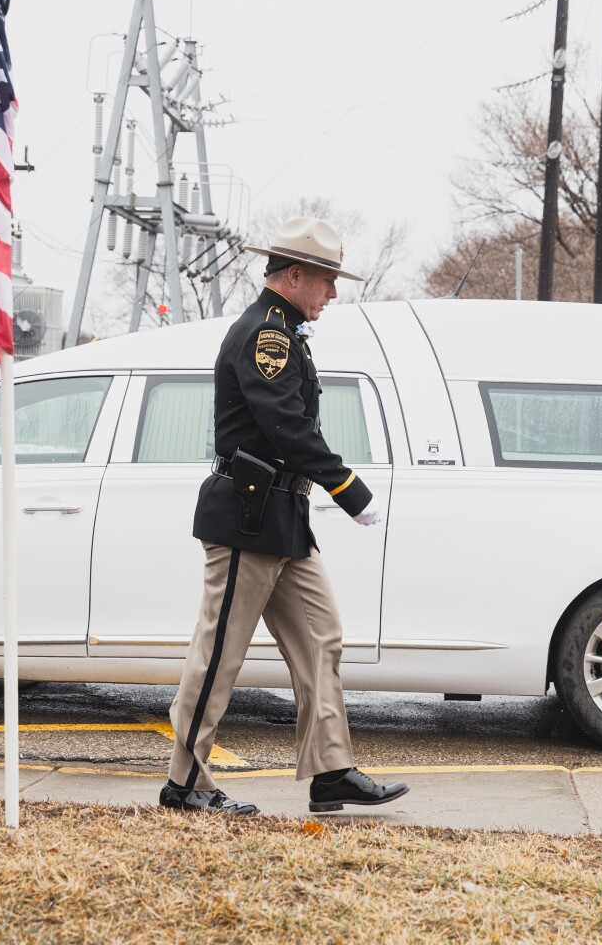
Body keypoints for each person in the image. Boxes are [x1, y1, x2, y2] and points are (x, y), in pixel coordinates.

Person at [160, 217, 410, 816]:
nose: (332, 292)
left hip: (281, 516)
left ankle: (330, 770)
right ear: (293, 276)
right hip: (248, 515)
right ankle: (185, 783)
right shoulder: (265, 335)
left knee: (322, 638)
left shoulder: (287, 333)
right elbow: (286, 427)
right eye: (326, 280)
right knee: (220, 652)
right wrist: (348, 488)